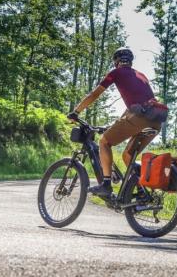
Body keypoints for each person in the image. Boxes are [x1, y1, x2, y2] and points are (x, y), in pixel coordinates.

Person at [69, 47, 167, 197]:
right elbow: (137, 106)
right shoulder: (141, 75)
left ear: (116, 61)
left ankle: (106, 185)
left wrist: (76, 111)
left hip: (139, 119)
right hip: (156, 121)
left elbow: (94, 94)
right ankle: (142, 191)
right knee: (127, 156)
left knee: (104, 142)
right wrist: (113, 125)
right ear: (130, 60)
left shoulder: (116, 73)